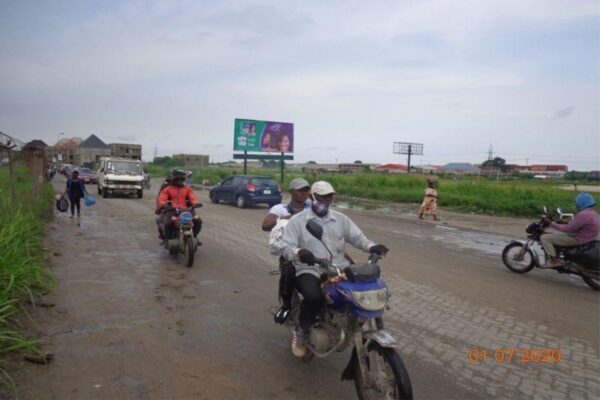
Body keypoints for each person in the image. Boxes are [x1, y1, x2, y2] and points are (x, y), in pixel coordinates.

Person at [281, 180, 389, 357]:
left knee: (362, 291)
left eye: (330, 197)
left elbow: (358, 238)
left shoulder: (341, 219)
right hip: (311, 268)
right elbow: (285, 246)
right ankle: (300, 331)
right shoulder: (298, 221)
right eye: (323, 197)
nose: (327, 200)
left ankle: (348, 324)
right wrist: (299, 252)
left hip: (339, 268)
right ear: (313, 197)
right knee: (313, 297)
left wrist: (372, 247)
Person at [261, 178, 311, 323]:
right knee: (288, 271)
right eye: (299, 190)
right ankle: (286, 305)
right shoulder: (279, 209)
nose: (303, 193)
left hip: (312, 249)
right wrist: (285, 218)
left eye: (306, 190)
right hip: (290, 251)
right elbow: (265, 225)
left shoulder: (312, 208)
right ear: (291, 192)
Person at [541, 192, 600, 267]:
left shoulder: (583, 214)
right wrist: (564, 222)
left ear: (582, 203)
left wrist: (550, 223)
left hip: (578, 239)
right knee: (557, 236)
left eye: (577, 203)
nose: (576, 205)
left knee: (545, 237)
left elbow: (568, 229)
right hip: (589, 239)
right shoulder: (594, 213)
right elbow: (579, 224)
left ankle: (554, 260)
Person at [158, 169, 203, 241]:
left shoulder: (188, 189)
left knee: (198, 220)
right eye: (178, 179)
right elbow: (162, 199)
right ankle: (168, 239)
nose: (180, 181)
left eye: (181, 179)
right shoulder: (167, 189)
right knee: (167, 223)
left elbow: (193, 198)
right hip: (173, 210)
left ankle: (194, 235)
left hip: (187, 210)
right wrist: (164, 204)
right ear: (174, 180)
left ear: (183, 180)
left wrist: (196, 203)